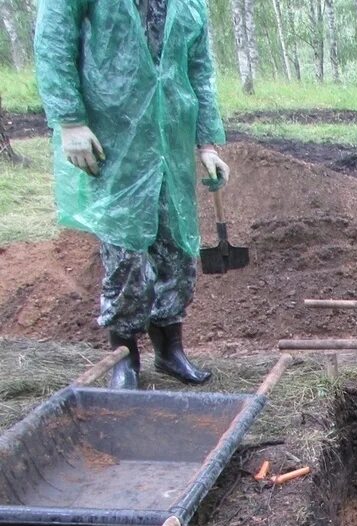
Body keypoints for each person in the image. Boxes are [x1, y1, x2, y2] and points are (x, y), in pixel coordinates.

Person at [35, 0, 230, 390]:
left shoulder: (189, 4)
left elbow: (199, 70)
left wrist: (207, 143)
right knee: (126, 256)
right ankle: (124, 357)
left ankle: (170, 349)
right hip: (116, 135)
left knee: (176, 250)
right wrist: (71, 120)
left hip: (170, 140)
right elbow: (54, 37)